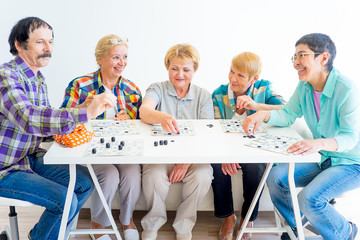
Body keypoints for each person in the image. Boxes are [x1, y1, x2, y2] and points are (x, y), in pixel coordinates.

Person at [0, 17, 117, 240]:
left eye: (51, 42)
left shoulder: (38, 79)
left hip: (29, 157)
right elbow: (28, 118)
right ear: (19, 44)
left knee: (83, 182)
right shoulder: (6, 76)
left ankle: (44, 236)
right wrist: (85, 113)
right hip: (5, 167)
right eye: (40, 42)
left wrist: (84, 106)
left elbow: (45, 121)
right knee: (64, 199)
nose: (48, 49)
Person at [242, 33, 360, 240]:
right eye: (294, 57)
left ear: (323, 58)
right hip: (322, 157)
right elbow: (288, 114)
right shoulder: (304, 86)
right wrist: (264, 114)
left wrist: (319, 143)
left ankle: (345, 232)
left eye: (302, 55)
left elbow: (350, 138)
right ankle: (299, 225)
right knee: (276, 178)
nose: (295, 62)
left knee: (309, 198)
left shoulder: (347, 88)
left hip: (351, 163)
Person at [61, 34, 142, 240]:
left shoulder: (132, 89)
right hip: (89, 148)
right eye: (116, 57)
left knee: (133, 172)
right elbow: (61, 120)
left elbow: (141, 125)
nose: (121, 62)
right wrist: (86, 107)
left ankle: (127, 219)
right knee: (109, 174)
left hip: (120, 148)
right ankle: (98, 224)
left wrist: (129, 119)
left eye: (124, 57)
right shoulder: (79, 85)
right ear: (100, 59)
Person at [139, 43, 214, 240]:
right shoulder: (157, 88)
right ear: (168, 68)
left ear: (194, 70)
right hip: (160, 153)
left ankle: (184, 225)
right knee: (153, 174)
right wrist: (161, 117)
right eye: (174, 68)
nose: (180, 74)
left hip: (193, 155)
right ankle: (153, 222)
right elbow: (144, 111)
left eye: (186, 69)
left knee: (204, 174)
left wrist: (185, 161)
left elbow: (206, 134)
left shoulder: (203, 96)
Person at [211, 52, 285, 240]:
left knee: (255, 167)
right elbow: (216, 129)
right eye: (232, 72)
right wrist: (224, 156)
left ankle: (247, 218)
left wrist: (256, 105)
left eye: (240, 75)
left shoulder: (264, 88)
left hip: (255, 148)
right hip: (227, 148)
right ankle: (228, 218)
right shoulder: (219, 94)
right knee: (218, 168)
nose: (233, 79)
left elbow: (287, 110)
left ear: (254, 79)